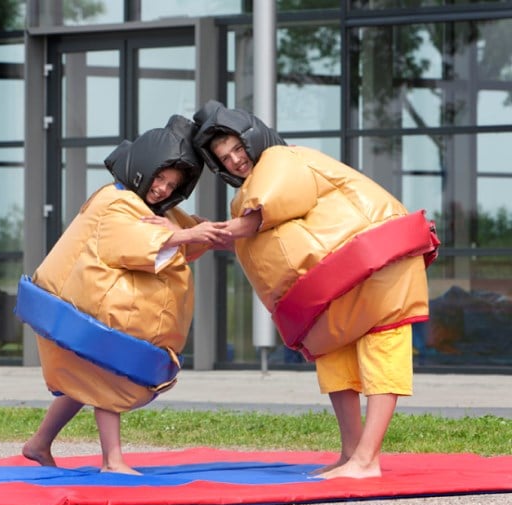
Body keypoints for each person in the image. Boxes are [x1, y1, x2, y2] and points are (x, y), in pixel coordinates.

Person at [188, 100, 440, 479]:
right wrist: (198, 231)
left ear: (254, 139)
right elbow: (253, 232)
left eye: (238, 148)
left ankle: (367, 459)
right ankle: (351, 454)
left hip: (376, 267)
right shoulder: (246, 196)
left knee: (381, 354)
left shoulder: (283, 160)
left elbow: (263, 211)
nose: (236, 160)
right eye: (225, 157)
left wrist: (223, 229)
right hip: (341, 284)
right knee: (334, 358)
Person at [15, 115, 230, 475]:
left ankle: (39, 444)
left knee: (85, 379)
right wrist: (185, 236)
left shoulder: (146, 206)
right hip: (81, 314)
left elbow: (184, 235)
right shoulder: (115, 202)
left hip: (77, 316)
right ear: (143, 166)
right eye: (159, 177)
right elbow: (128, 242)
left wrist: (215, 233)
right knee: (109, 373)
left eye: (170, 184)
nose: (161, 188)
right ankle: (112, 461)